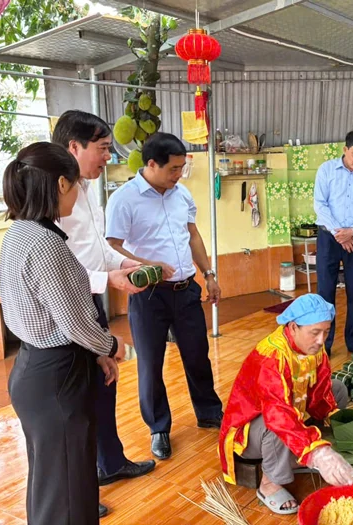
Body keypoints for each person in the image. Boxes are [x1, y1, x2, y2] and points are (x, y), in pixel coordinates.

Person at [0, 142, 125, 525]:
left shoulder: (21, 232)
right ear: (59, 185)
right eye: (75, 186)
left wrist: (95, 353)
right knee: (68, 496)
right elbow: (73, 321)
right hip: (57, 378)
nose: (77, 194)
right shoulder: (46, 244)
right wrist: (112, 346)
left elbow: (59, 315)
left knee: (54, 486)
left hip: (36, 368)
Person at [52, 110, 155, 513]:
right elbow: (61, 264)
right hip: (70, 305)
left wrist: (123, 264)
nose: (108, 157)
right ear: (73, 147)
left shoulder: (86, 188)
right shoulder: (54, 197)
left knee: (103, 385)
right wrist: (106, 280)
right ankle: (75, 490)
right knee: (75, 401)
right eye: (103, 148)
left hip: (92, 296)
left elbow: (95, 248)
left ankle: (109, 463)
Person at [105, 132, 223, 461]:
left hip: (186, 291)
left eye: (182, 168)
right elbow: (111, 245)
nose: (178, 175)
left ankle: (209, 412)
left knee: (198, 354)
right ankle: (159, 427)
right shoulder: (124, 200)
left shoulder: (181, 194)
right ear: (151, 164)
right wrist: (147, 266)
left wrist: (209, 275)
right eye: (173, 169)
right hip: (148, 295)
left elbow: (193, 235)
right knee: (151, 363)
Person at [219, 294, 353, 515]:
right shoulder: (271, 358)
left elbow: (321, 393)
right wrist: (317, 453)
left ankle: (311, 449)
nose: (322, 340)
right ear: (292, 328)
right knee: (277, 425)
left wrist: (335, 420)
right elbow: (278, 413)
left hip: (291, 412)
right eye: (315, 333)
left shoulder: (314, 350)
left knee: (337, 388)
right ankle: (270, 484)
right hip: (250, 431)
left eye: (326, 332)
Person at [314, 129, 353, 355]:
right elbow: (320, 205)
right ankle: (324, 346)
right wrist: (339, 234)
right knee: (325, 293)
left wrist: (351, 231)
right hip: (328, 239)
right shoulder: (326, 170)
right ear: (345, 150)